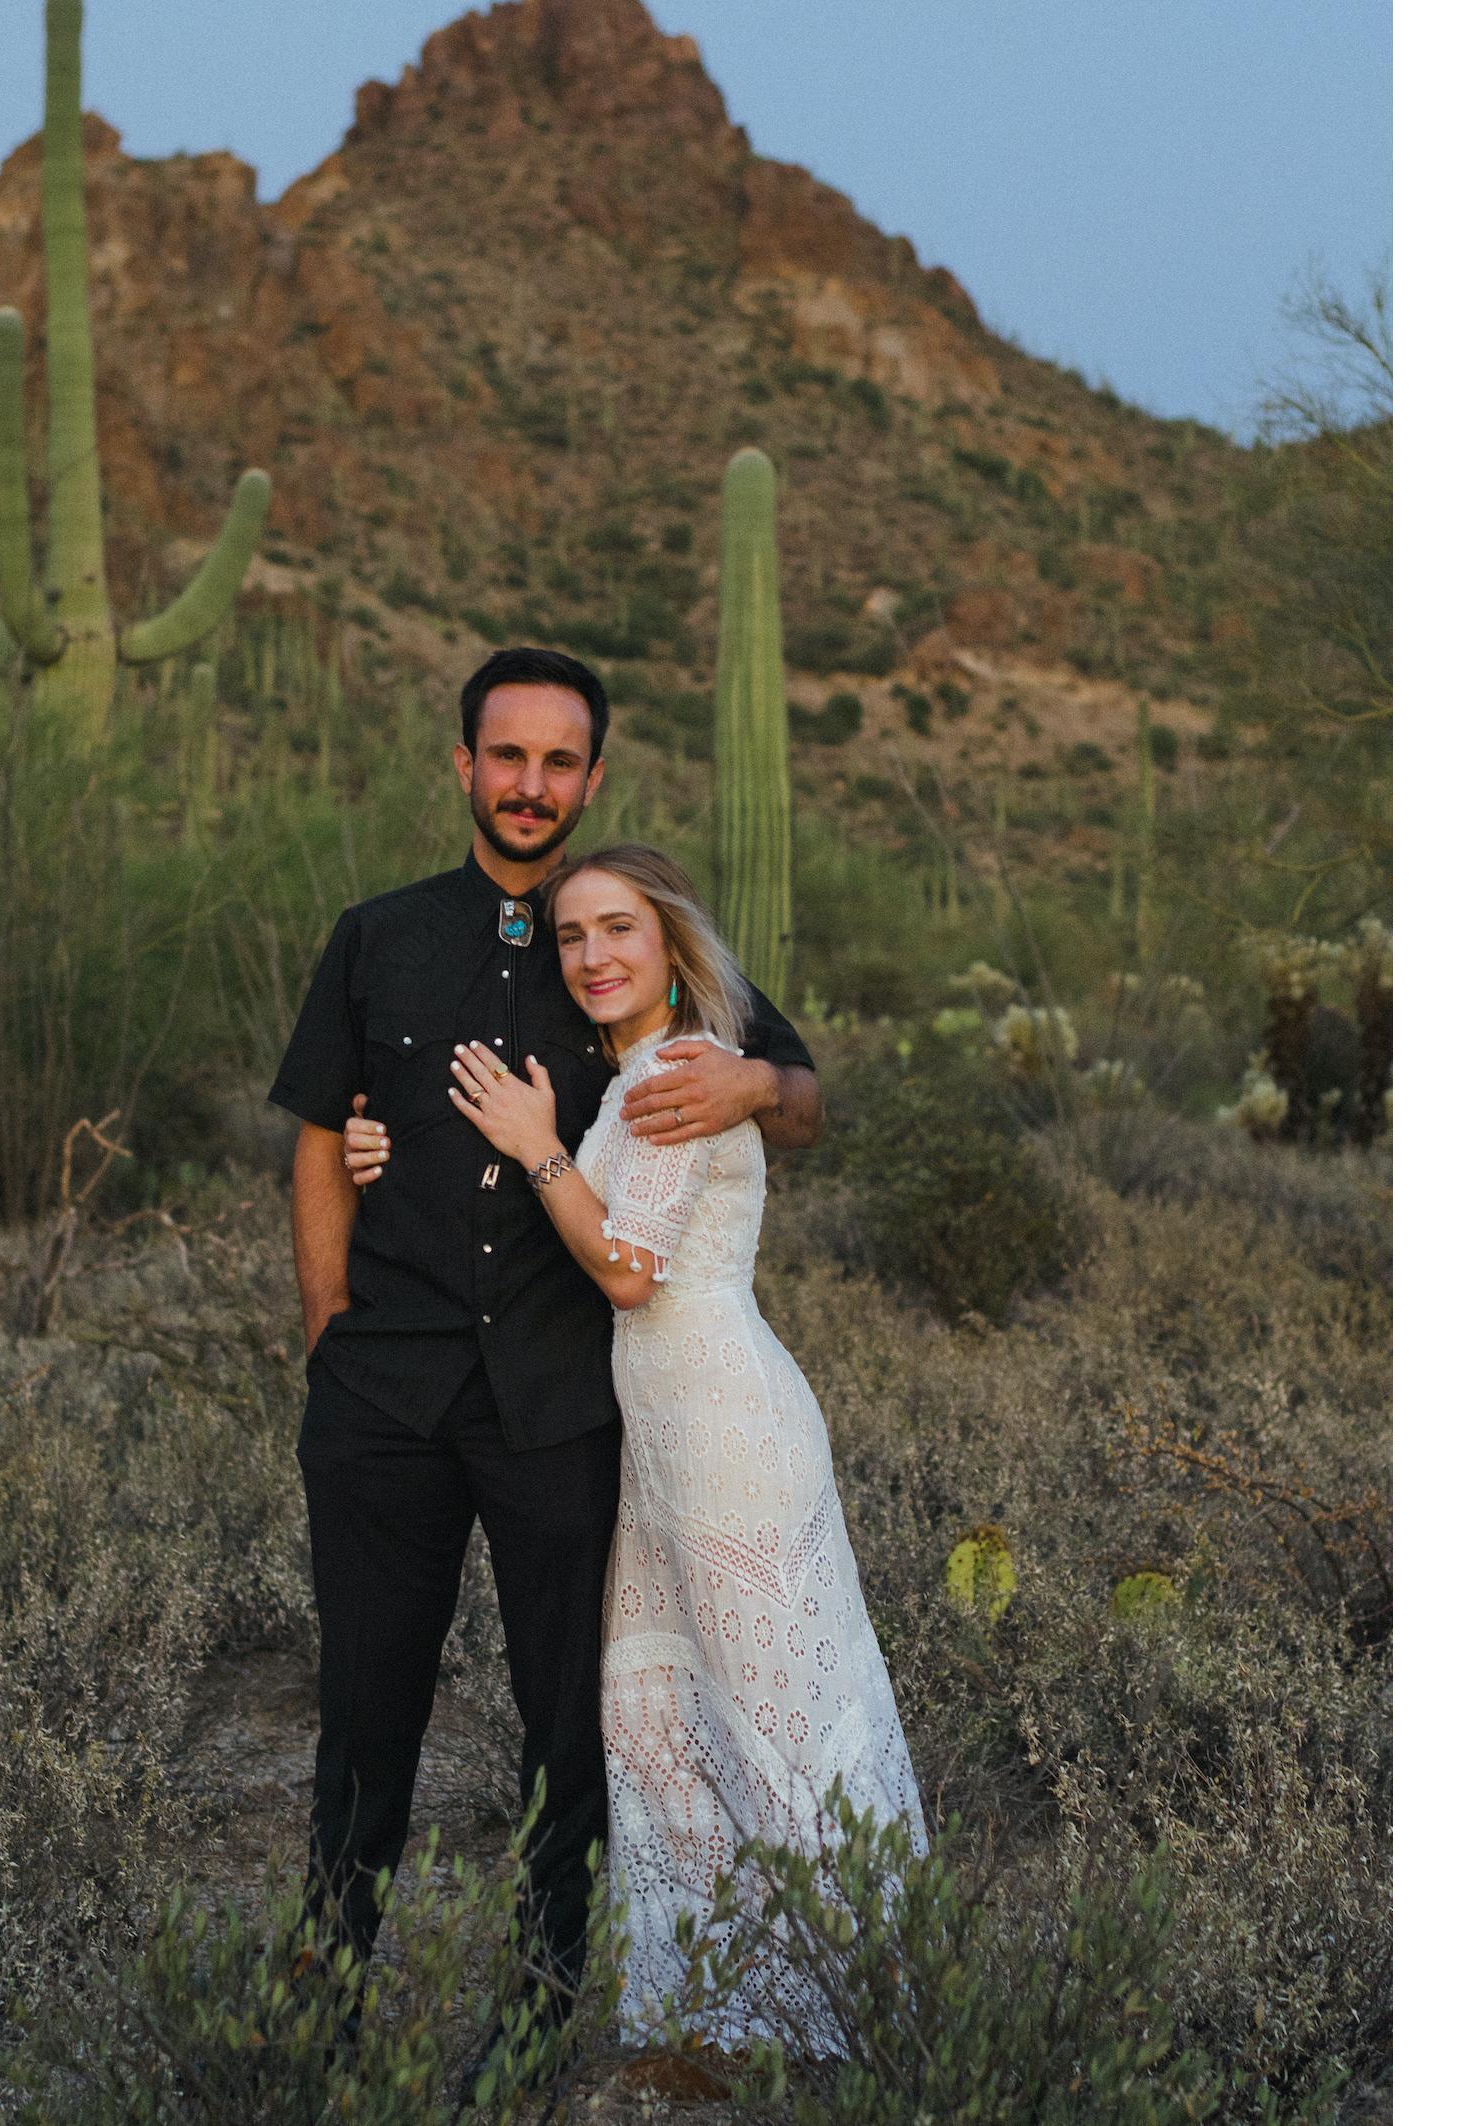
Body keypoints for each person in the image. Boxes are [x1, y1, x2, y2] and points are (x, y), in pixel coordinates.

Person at [266, 648, 823, 2043]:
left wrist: (754, 1077)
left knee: (565, 1733)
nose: (529, 783)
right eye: (506, 756)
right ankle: (322, 2012)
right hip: (384, 1391)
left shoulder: (624, 940)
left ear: (590, 777)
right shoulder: (377, 936)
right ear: (464, 765)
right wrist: (327, 1332)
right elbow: (323, 1136)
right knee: (363, 1718)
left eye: (557, 761)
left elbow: (802, 1094)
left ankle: (537, 2020)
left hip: (562, 1401)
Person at [435, 843, 928, 2052]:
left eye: (619, 928)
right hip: (668, 1433)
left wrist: (534, 1141)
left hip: (721, 1425)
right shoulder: (632, 1076)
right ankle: (735, 2008)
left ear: (670, 945)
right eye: (570, 935)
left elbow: (625, 1268)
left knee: (771, 1712)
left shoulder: (676, 1069)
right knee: (683, 1714)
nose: (591, 954)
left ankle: (853, 2011)